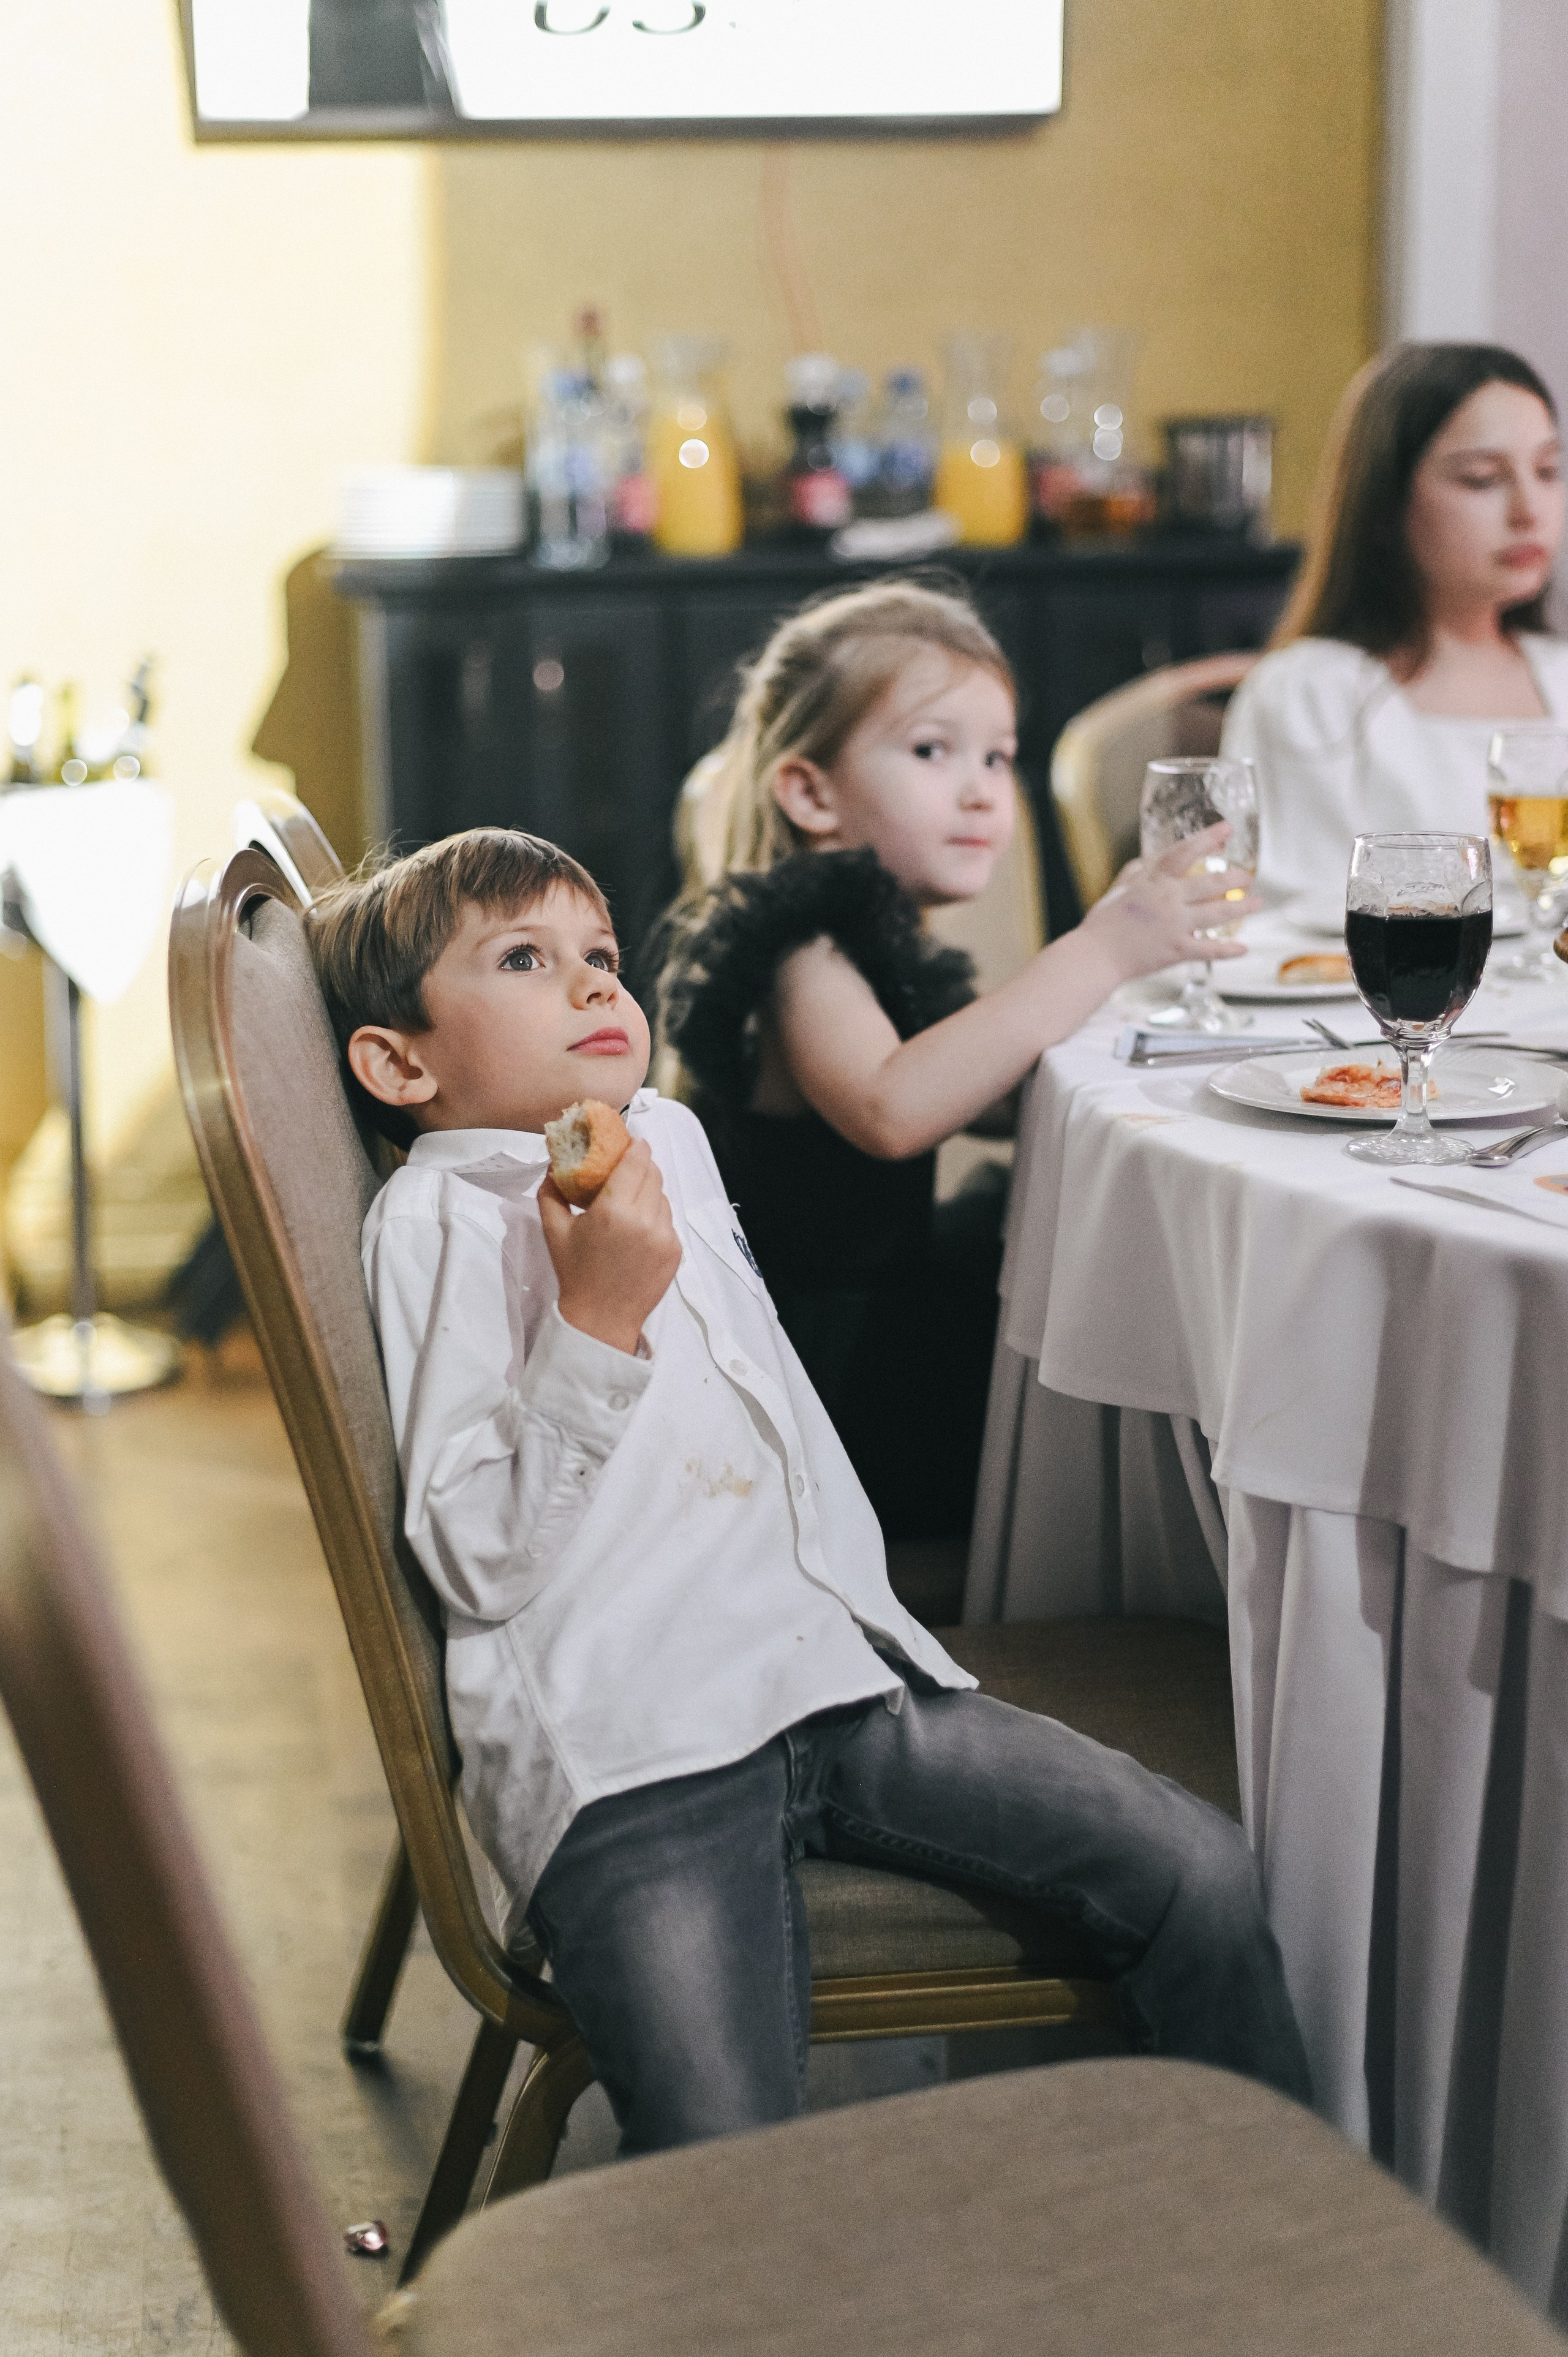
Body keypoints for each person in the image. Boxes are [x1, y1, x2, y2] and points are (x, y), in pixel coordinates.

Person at [307, 824, 1310, 2157]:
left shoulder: (662, 1136)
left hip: (841, 1680)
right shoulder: (436, 1223)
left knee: (1205, 1875)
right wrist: (594, 1323)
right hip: (637, 1757)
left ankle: (1276, 2245)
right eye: (525, 959)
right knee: (725, 2145)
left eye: (600, 955)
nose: (598, 986)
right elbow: (480, 1554)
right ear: (398, 1061)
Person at [657, 580, 1256, 1550]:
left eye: (997, 756)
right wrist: (1097, 952)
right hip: (823, 1389)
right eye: (934, 752)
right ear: (810, 792)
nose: (983, 789)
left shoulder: (875, 941)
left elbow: (984, 1096)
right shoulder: (800, 948)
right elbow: (892, 1110)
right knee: (1124, 1336)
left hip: (866, 1333)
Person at [1221, 342, 1568, 907]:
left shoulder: (1561, 673)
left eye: (1549, 470)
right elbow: (1287, 923)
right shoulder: (1312, 695)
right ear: (1385, 502)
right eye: (1482, 479)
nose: (1530, 509)